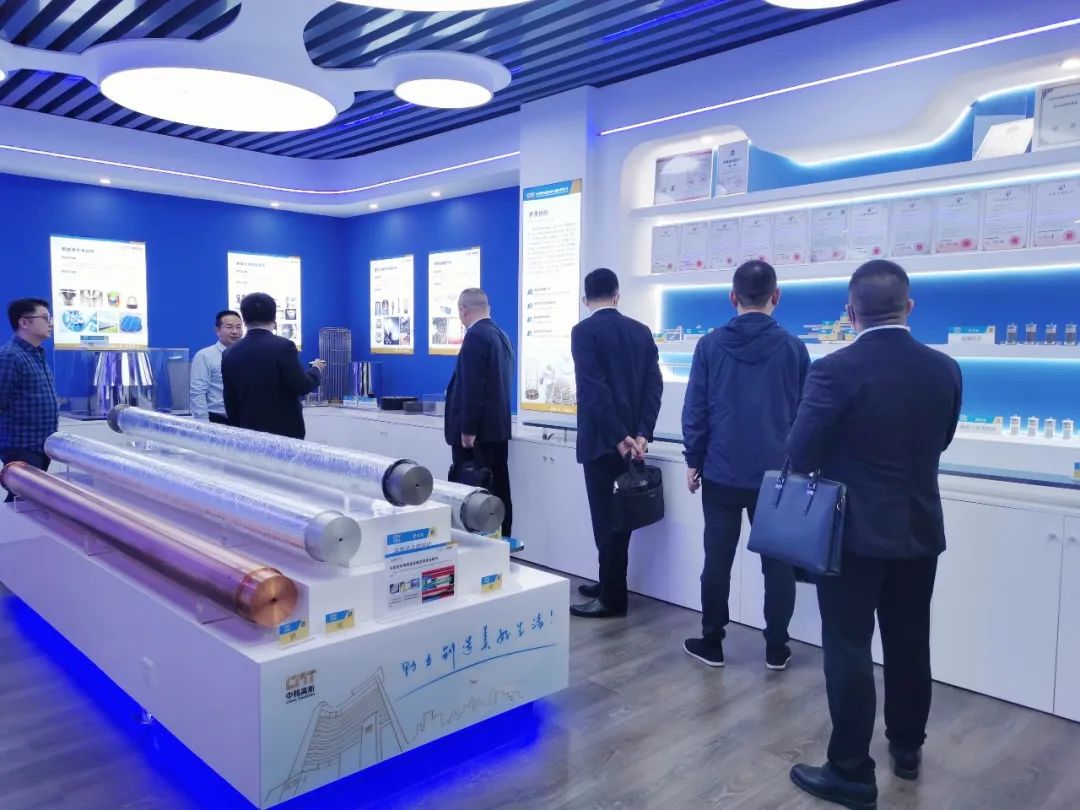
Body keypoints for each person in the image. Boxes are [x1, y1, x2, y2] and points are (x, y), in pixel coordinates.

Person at [786, 260, 962, 809]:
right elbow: (942, 440)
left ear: (850, 312)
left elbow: (800, 453)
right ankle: (907, 748)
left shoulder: (833, 369)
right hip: (919, 527)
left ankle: (850, 771)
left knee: (848, 646)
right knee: (910, 641)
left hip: (852, 536)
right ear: (908, 307)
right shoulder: (945, 369)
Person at [681, 261, 808, 671]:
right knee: (778, 564)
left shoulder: (709, 346)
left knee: (717, 560)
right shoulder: (793, 349)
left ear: (733, 297)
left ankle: (712, 641)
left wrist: (693, 459)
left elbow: (696, 409)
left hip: (720, 471)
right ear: (777, 296)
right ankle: (776, 648)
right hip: (778, 477)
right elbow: (806, 415)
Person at [570, 268, 663, 619]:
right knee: (619, 520)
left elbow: (593, 390)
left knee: (605, 522)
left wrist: (616, 436)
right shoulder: (641, 331)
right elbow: (654, 386)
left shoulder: (583, 332)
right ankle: (608, 583)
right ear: (617, 295)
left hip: (602, 443)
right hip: (632, 443)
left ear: (585, 300)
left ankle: (612, 598)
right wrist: (641, 434)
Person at [444, 288, 515, 537]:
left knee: (474, 495)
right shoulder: (500, 335)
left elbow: (473, 387)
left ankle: (480, 546)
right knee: (499, 491)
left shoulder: (475, 336)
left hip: (478, 436)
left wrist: (468, 428)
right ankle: (502, 540)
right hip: (497, 430)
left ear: (463, 311)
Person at [222, 293, 325, 440]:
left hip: (247, 432)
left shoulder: (229, 352)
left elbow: (230, 400)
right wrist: (316, 369)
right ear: (274, 316)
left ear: (243, 318)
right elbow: (302, 386)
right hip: (284, 433)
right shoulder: (284, 346)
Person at [0, 298, 59, 503]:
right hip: (21, 447)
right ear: (24, 323)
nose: (51, 323)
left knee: (31, 502)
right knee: (22, 501)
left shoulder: (36, 354)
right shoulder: (10, 356)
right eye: (45, 317)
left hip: (41, 446)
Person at [189, 310, 244, 423]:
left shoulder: (246, 355)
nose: (235, 332)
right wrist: (203, 424)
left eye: (238, 327)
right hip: (217, 419)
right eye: (229, 327)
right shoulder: (205, 355)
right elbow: (198, 392)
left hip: (243, 420)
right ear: (217, 330)